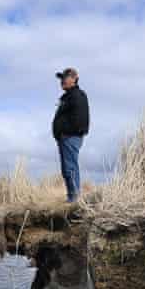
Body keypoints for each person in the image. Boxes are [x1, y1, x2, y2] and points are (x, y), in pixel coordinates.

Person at [51, 67, 89, 202]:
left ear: (74, 78)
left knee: (70, 168)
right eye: (61, 78)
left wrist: (66, 132)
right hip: (65, 138)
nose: (62, 81)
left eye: (64, 78)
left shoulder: (77, 95)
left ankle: (74, 198)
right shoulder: (68, 96)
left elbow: (80, 119)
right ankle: (72, 197)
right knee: (67, 168)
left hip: (70, 137)